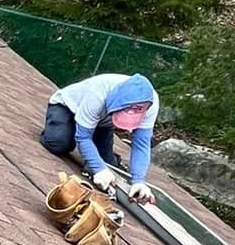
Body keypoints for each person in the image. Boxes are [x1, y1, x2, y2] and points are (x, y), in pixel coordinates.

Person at [39, 71, 159, 205]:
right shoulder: (98, 93)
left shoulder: (151, 103)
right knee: (59, 143)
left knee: (109, 167)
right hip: (67, 107)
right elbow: (83, 136)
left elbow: (141, 144)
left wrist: (139, 181)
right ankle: (60, 129)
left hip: (101, 122)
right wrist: (98, 169)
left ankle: (102, 154)